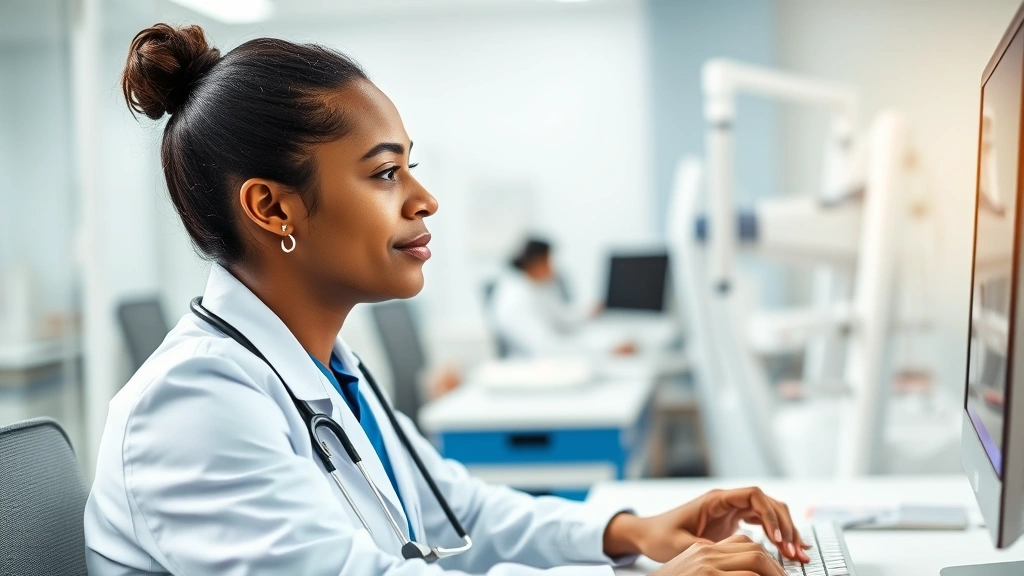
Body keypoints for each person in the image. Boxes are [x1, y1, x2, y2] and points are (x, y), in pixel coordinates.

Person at [84, 23, 809, 576]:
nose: (424, 199)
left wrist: (628, 531)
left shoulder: (328, 371)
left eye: (412, 169)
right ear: (273, 209)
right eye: (384, 174)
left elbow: (456, 508)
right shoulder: (192, 404)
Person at [490, 239, 635, 357]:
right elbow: (545, 347)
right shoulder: (515, 299)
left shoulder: (536, 287)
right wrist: (605, 349)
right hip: (530, 367)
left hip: (553, 359)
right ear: (534, 263)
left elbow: (562, 318)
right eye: (548, 262)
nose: (553, 268)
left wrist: (589, 313)